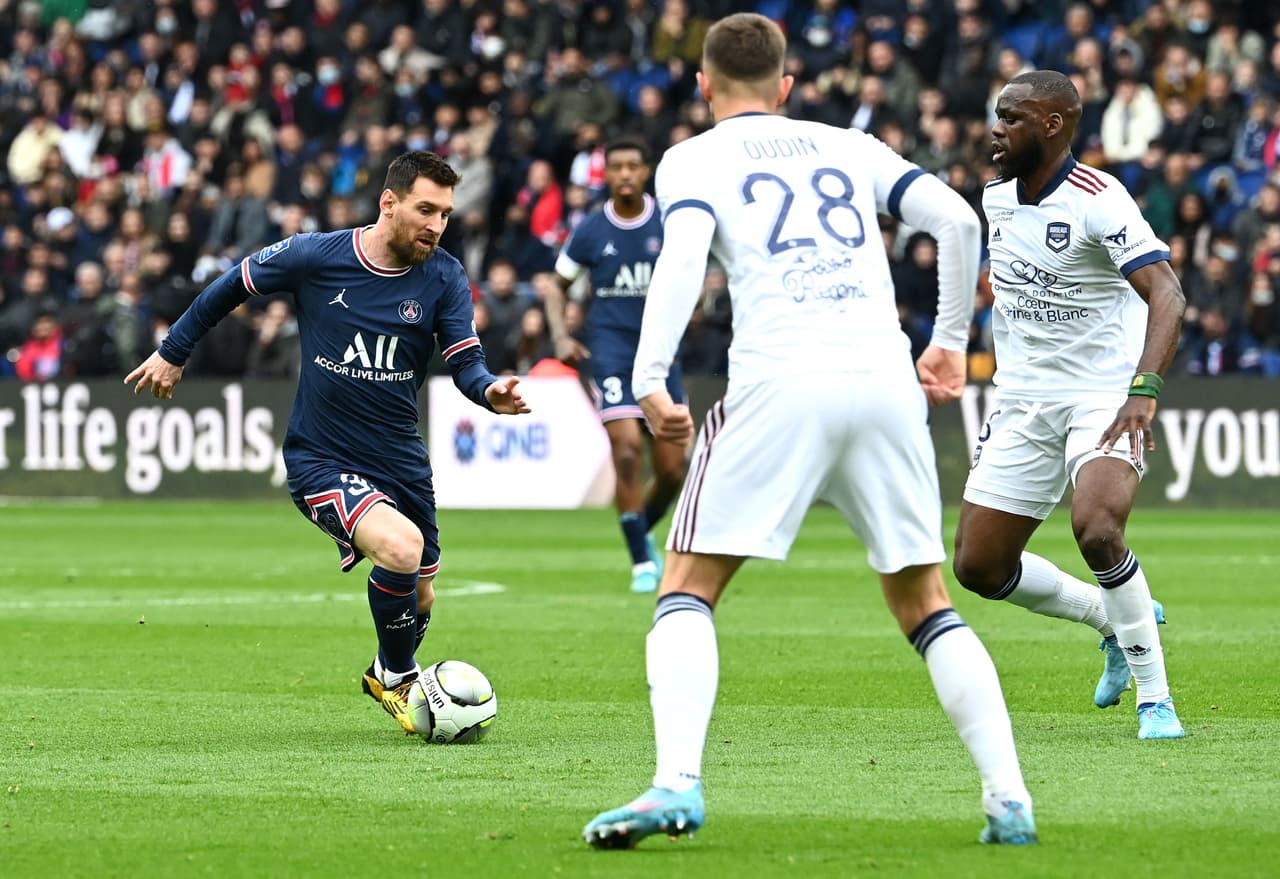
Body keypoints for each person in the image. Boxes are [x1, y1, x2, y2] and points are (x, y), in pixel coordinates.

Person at [583, 13, 1036, 850]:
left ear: (703, 85)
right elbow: (962, 224)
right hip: (885, 383)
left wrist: (649, 378)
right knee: (924, 602)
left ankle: (676, 782)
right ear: (787, 87)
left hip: (781, 381)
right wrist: (947, 342)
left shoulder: (692, 158)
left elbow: (683, 259)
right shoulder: (851, 146)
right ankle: (1009, 796)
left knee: (685, 582)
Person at [124, 151, 530, 735]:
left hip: (401, 460)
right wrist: (173, 350)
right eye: (425, 210)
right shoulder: (315, 255)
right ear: (388, 202)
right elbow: (230, 286)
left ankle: (384, 671)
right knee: (400, 547)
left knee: (422, 596)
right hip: (323, 456)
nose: (437, 226)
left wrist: (490, 392)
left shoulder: (444, 275)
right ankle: (397, 679)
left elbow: (466, 361)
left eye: (445, 214)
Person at [952, 70, 1185, 741]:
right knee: (978, 566)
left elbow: (1167, 294)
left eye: (1012, 117)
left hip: (1102, 396)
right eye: (997, 116)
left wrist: (1143, 391)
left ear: (1053, 124)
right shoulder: (996, 199)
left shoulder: (1099, 198)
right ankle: (1108, 618)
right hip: (1024, 400)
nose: (998, 129)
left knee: (1098, 527)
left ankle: (1155, 697)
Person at [541, 137, 688, 594]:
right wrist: (563, 336)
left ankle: (637, 525)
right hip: (611, 350)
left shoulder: (669, 222)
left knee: (672, 470)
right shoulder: (590, 229)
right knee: (626, 450)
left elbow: (696, 270)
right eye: (616, 167)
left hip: (661, 353)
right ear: (605, 174)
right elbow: (554, 287)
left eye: (632, 166)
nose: (625, 174)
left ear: (646, 172)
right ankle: (642, 560)